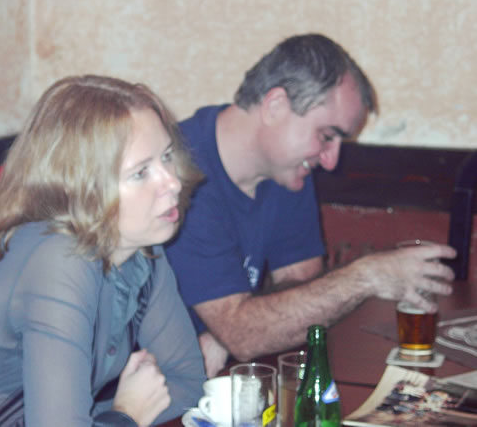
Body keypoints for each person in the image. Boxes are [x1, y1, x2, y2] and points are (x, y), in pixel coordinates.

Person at [0, 75, 205, 426]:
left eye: (167, 157)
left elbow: (188, 383)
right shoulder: (58, 261)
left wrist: (119, 414)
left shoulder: (140, 248)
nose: (172, 182)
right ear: (81, 186)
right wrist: (127, 414)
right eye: (141, 172)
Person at [164, 33, 457, 377]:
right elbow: (249, 334)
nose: (331, 161)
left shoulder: (286, 171)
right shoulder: (179, 174)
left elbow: (303, 292)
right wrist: (366, 276)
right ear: (275, 106)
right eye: (327, 136)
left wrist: (228, 333)